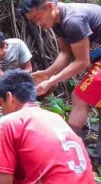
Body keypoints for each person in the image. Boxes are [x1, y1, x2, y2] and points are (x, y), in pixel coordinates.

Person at [0, 70, 100, 184]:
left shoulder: (10, 121)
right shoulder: (55, 118)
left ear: (9, 97)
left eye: (2, 104)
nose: (3, 111)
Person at [22, 0, 101, 159]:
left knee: (79, 97)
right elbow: (66, 54)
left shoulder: (73, 20)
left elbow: (82, 61)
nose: (38, 23)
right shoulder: (58, 23)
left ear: (50, 6)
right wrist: (47, 73)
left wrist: (50, 82)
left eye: (38, 17)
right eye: (33, 21)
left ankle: (67, 149)